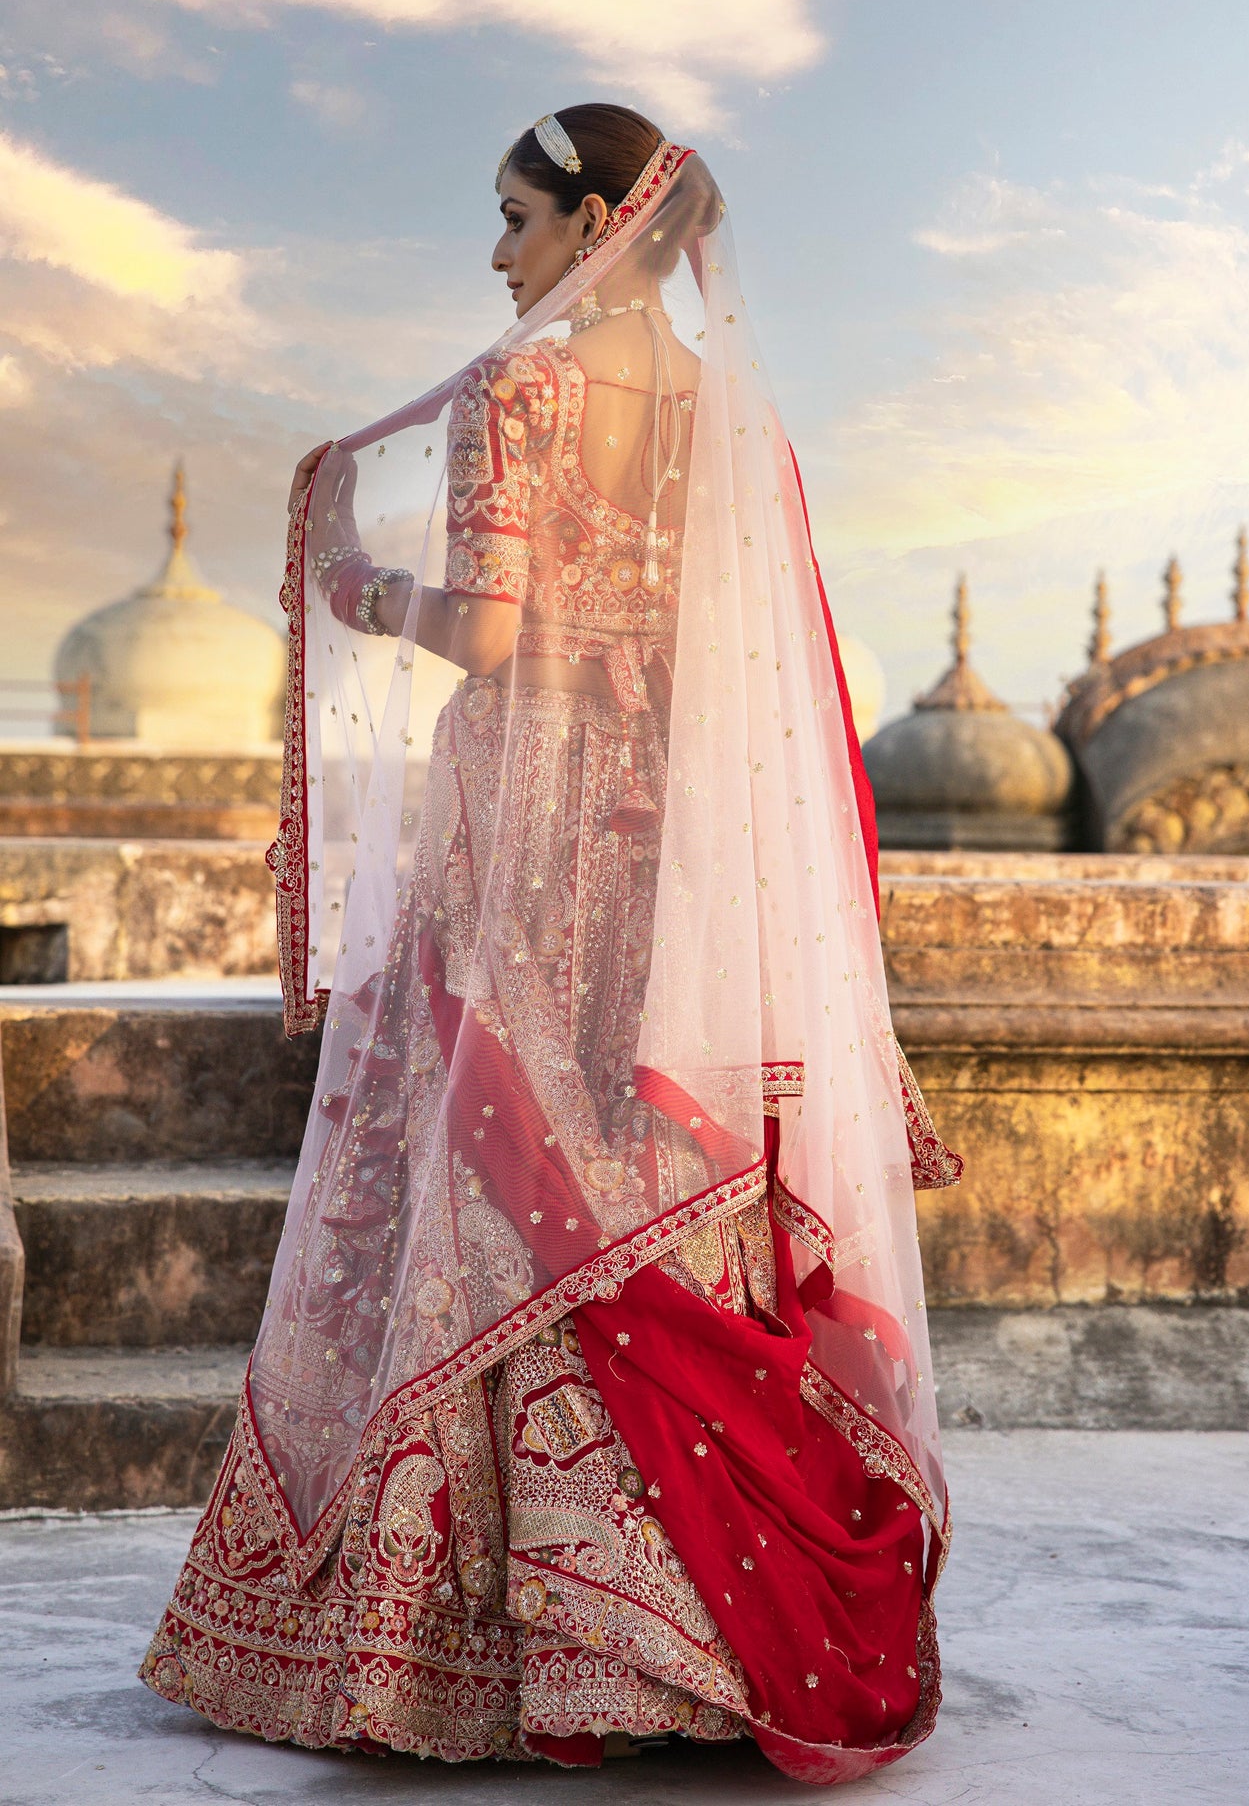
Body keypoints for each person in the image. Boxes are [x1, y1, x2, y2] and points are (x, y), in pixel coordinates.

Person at [141, 105, 960, 1781]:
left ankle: (482, 1654)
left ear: (595, 224)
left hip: (527, 826)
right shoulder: (730, 410)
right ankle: (683, 1640)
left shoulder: (521, 390)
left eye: (514, 217)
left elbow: (493, 629)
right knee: (649, 1176)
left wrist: (352, 581)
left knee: (498, 1190)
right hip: (678, 845)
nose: (495, 253)